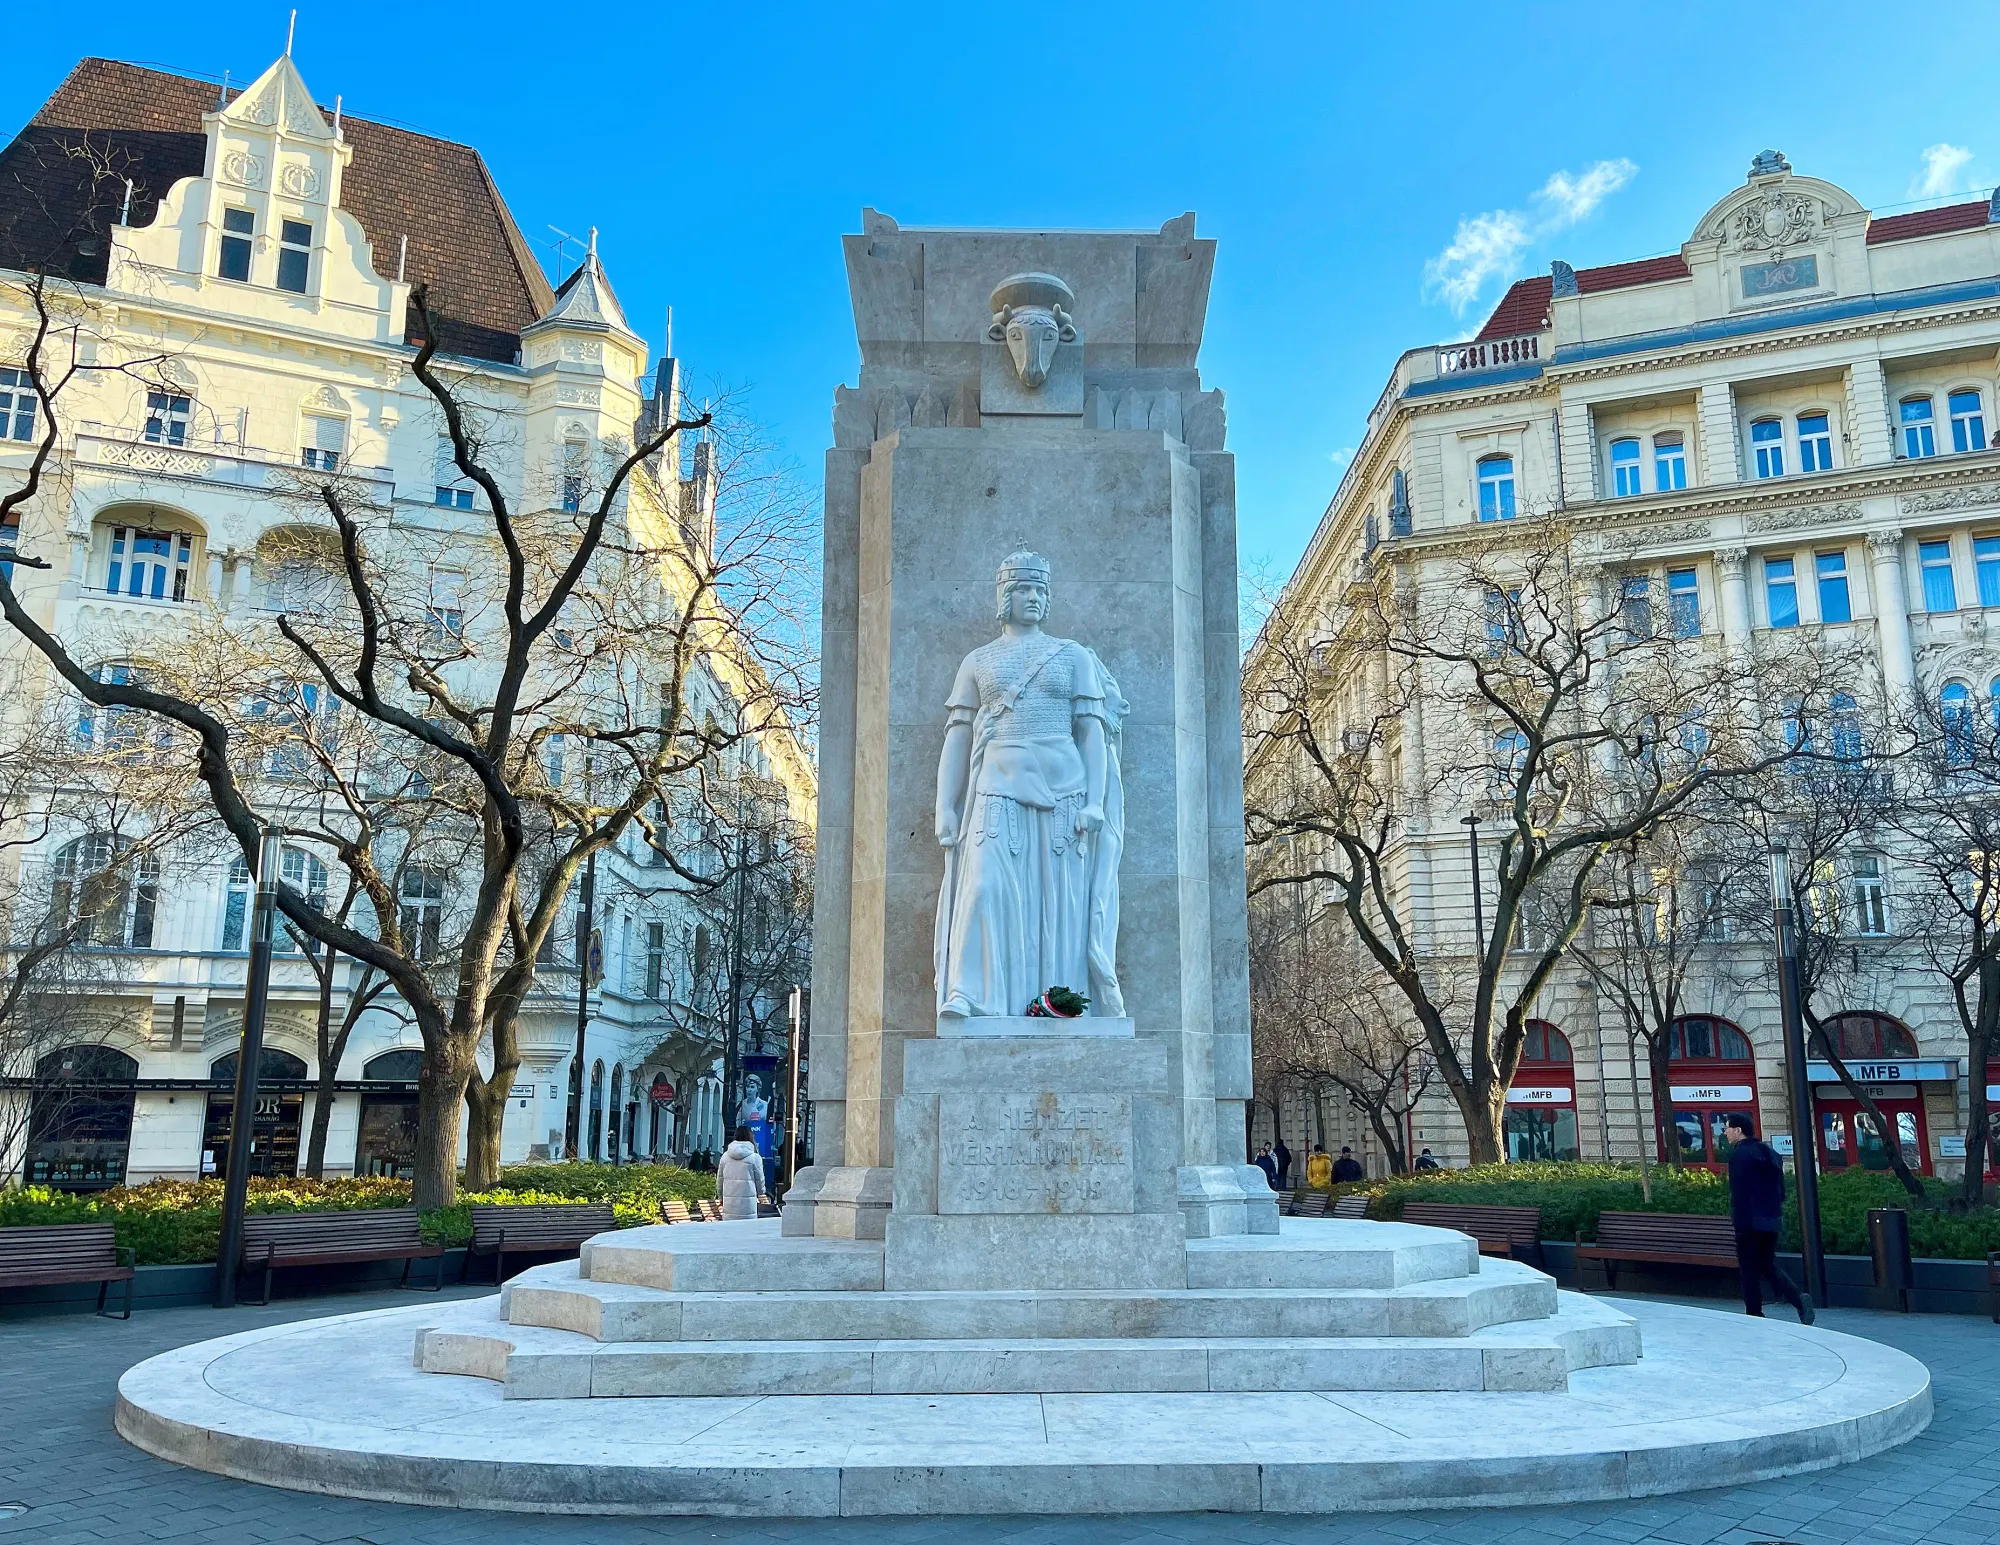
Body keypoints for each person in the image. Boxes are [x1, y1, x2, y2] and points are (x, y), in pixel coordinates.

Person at [1724, 1113, 1814, 1324]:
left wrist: (1739, 1219)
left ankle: (1754, 1314)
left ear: (1738, 1130)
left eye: (1728, 1128)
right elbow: (1780, 1190)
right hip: (1770, 1220)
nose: (1725, 1132)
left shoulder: (1739, 1156)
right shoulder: (1771, 1154)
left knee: (1748, 1268)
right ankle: (1798, 1299)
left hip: (1748, 1221)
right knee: (1766, 1264)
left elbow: (1739, 1192)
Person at [717, 1125, 764, 1221]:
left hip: (729, 1206)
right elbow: (760, 1182)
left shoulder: (725, 1157)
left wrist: (721, 1197)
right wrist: (760, 1192)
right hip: (748, 1207)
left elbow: (720, 1181)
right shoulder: (755, 1158)